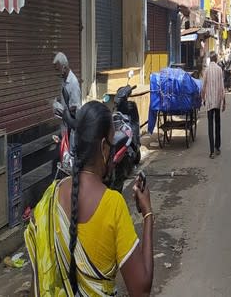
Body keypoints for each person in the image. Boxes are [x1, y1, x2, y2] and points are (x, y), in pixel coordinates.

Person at [25, 101, 154, 296]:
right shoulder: (113, 205)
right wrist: (148, 215)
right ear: (104, 147)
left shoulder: (51, 196)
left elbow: (38, 278)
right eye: (112, 143)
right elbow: (141, 290)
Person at [53, 52, 81, 156]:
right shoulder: (63, 80)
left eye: (58, 69)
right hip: (65, 124)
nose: (57, 72)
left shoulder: (73, 83)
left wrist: (62, 110)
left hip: (72, 125)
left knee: (71, 154)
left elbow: (75, 107)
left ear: (64, 67)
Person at [201, 51, 226, 159]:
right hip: (217, 101)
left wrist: (203, 98)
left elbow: (203, 86)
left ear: (210, 59)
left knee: (210, 126)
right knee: (218, 124)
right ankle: (217, 147)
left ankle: (211, 151)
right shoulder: (219, 69)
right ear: (216, 59)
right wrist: (224, 101)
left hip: (210, 102)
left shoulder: (206, 70)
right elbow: (222, 86)